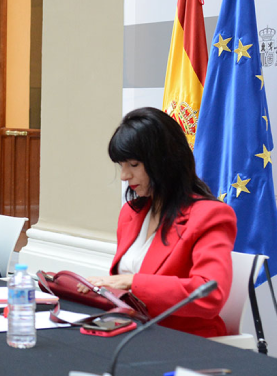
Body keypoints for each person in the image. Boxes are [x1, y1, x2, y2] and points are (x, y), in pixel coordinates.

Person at [80, 107, 236, 337]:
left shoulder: (210, 216)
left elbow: (209, 296)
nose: (124, 176)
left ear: (164, 161)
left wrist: (131, 282)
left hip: (185, 341)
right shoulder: (131, 213)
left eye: (133, 165)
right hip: (133, 333)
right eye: (121, 165)